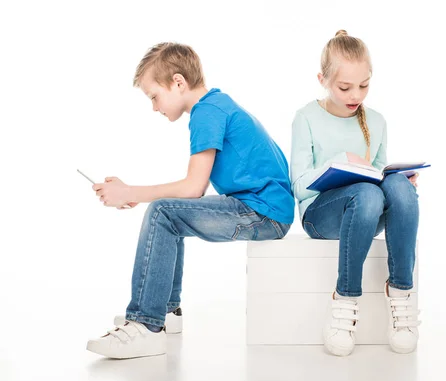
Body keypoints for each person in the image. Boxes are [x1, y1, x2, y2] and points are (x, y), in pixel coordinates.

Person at [86, 42, 295, 359]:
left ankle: (147, 324)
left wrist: (131, 193)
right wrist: (134, 194)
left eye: (154, 96)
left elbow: (193, 188)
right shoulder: (216, 105)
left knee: (163, 213)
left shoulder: (206, 113)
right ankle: (166, 312)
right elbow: (191, 193)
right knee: (170, 216)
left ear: (178, 82)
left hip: (263, 213)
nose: (155, 107)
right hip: (265, 208)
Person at [290, 30, 421, 356]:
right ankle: (345, 298)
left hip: (367, 209)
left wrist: (399, 179)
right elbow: (299, 185)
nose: (356, 95)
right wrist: (339, 163)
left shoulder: (376, 121)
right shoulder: (306, 118)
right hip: (320, 216)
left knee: (395, 187)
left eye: (364, 85)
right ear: (323, 79)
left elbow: (378, 174)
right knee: (365, 192)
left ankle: (401, 292)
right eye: (345, 87)